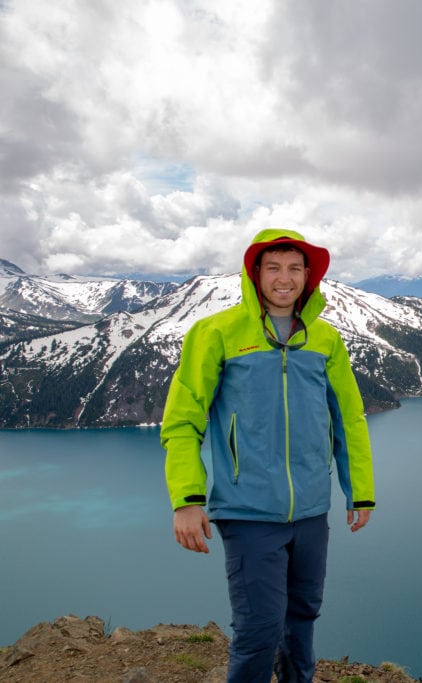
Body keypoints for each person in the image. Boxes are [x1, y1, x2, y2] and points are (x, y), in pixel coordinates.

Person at [161, 228, 375, 682]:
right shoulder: (216, 333)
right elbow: (182, 422)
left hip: (312, 511)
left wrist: (360, 492)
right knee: (258, 629)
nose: (284, 278)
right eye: (273, 267)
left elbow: (349, 420)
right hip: (248, 510)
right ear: (254, 273)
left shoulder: (324, 340)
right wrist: (187, 499)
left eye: (294, 268)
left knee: (302, 617)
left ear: (308, 276)